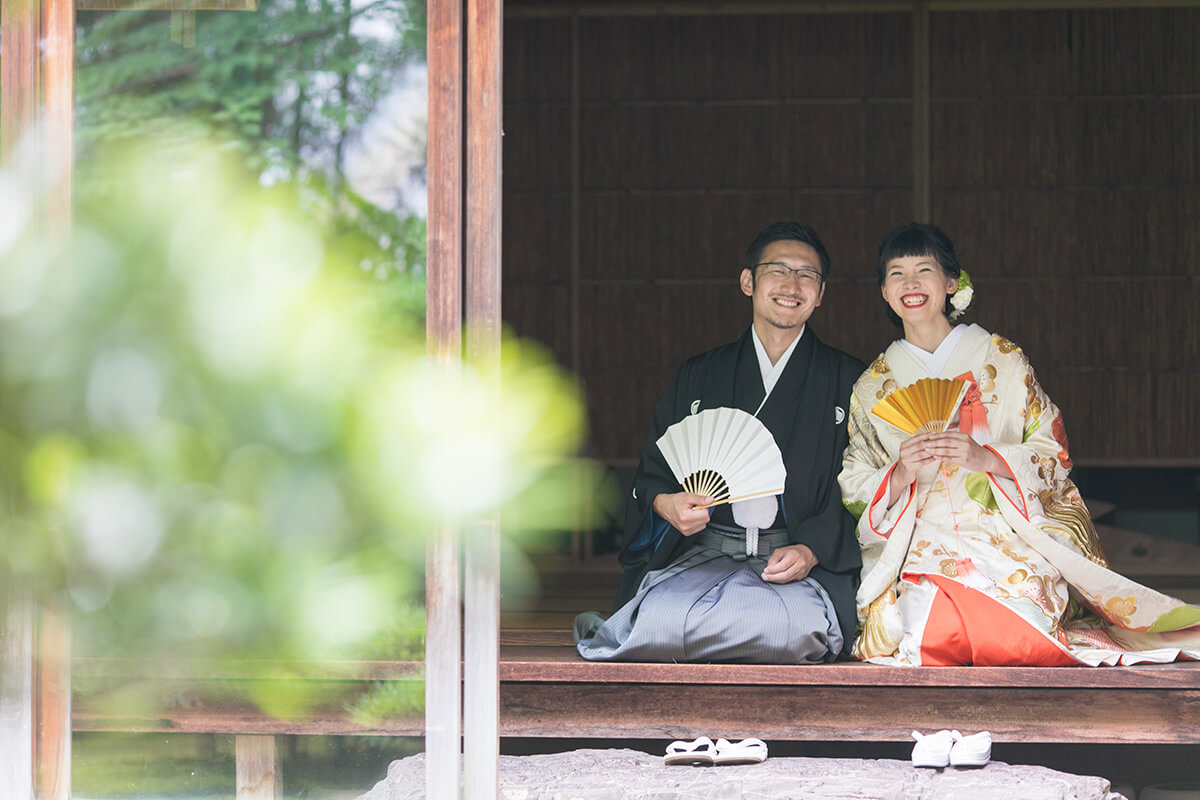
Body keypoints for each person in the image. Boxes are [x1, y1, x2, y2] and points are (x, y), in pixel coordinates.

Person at [838, 222, 1200, 666]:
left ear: (951, 283)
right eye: (896, 274)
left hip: (1005, 532)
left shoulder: (1002, 359)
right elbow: (854, 481)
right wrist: (899, 473)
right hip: (922, 541)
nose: (910, 284)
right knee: (923, 631)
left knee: (1021, 627)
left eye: (923, 270)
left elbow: (1053, 450)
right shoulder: (873, 386)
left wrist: (985, 457)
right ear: (884, 292)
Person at [575, 222, 865, 663]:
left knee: (792, 633)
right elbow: (652, 475)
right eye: (778, 270)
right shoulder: (700, 374)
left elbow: (863, 486)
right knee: (659, 624)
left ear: (821, 293)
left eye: (807, 275)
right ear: (748, 281)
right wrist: (666, 505)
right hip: (704, 557)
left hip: (793, 568)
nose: (792, 285)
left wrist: (812, 549)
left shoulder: (849, 380)